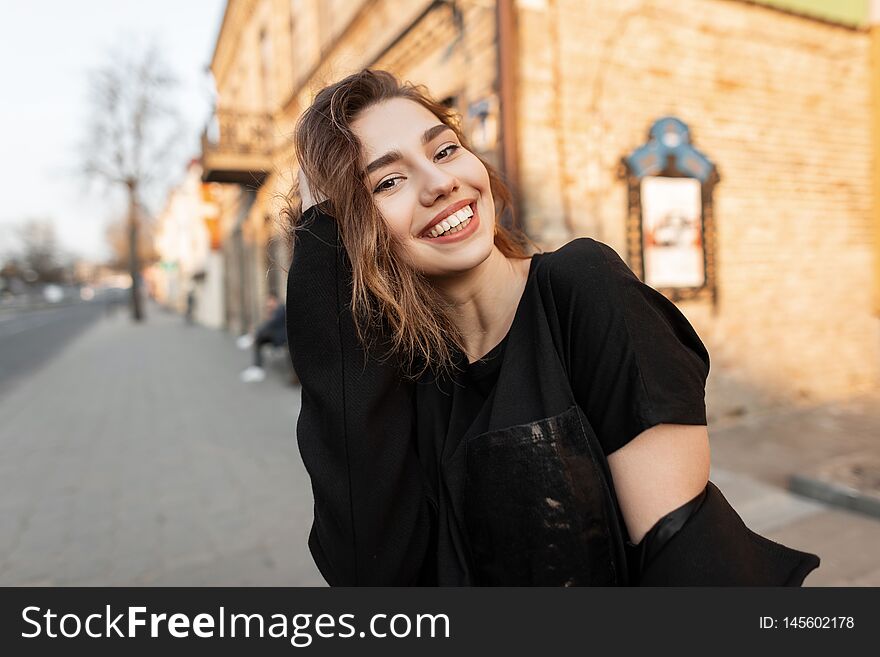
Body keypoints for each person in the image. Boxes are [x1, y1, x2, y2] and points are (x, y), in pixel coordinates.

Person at [285, 69, 820, 586]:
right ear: (352, 230)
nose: (441, 182)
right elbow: (370, 572)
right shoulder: (406, 379)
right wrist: (319, 242)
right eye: (389, 181)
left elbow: (685, 565)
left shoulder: (581, 291)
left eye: (445, 150)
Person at [240, 293, 287, 383]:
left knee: (260, 336)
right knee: (259, 341)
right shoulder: (275, 310)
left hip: (281, 338)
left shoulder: (280, 309)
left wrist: (257, 331)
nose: (268, 304)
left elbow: (271, 324)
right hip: (275, 336)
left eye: (270, 301)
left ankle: (252, 338)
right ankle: (257, 368)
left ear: (275, 300)